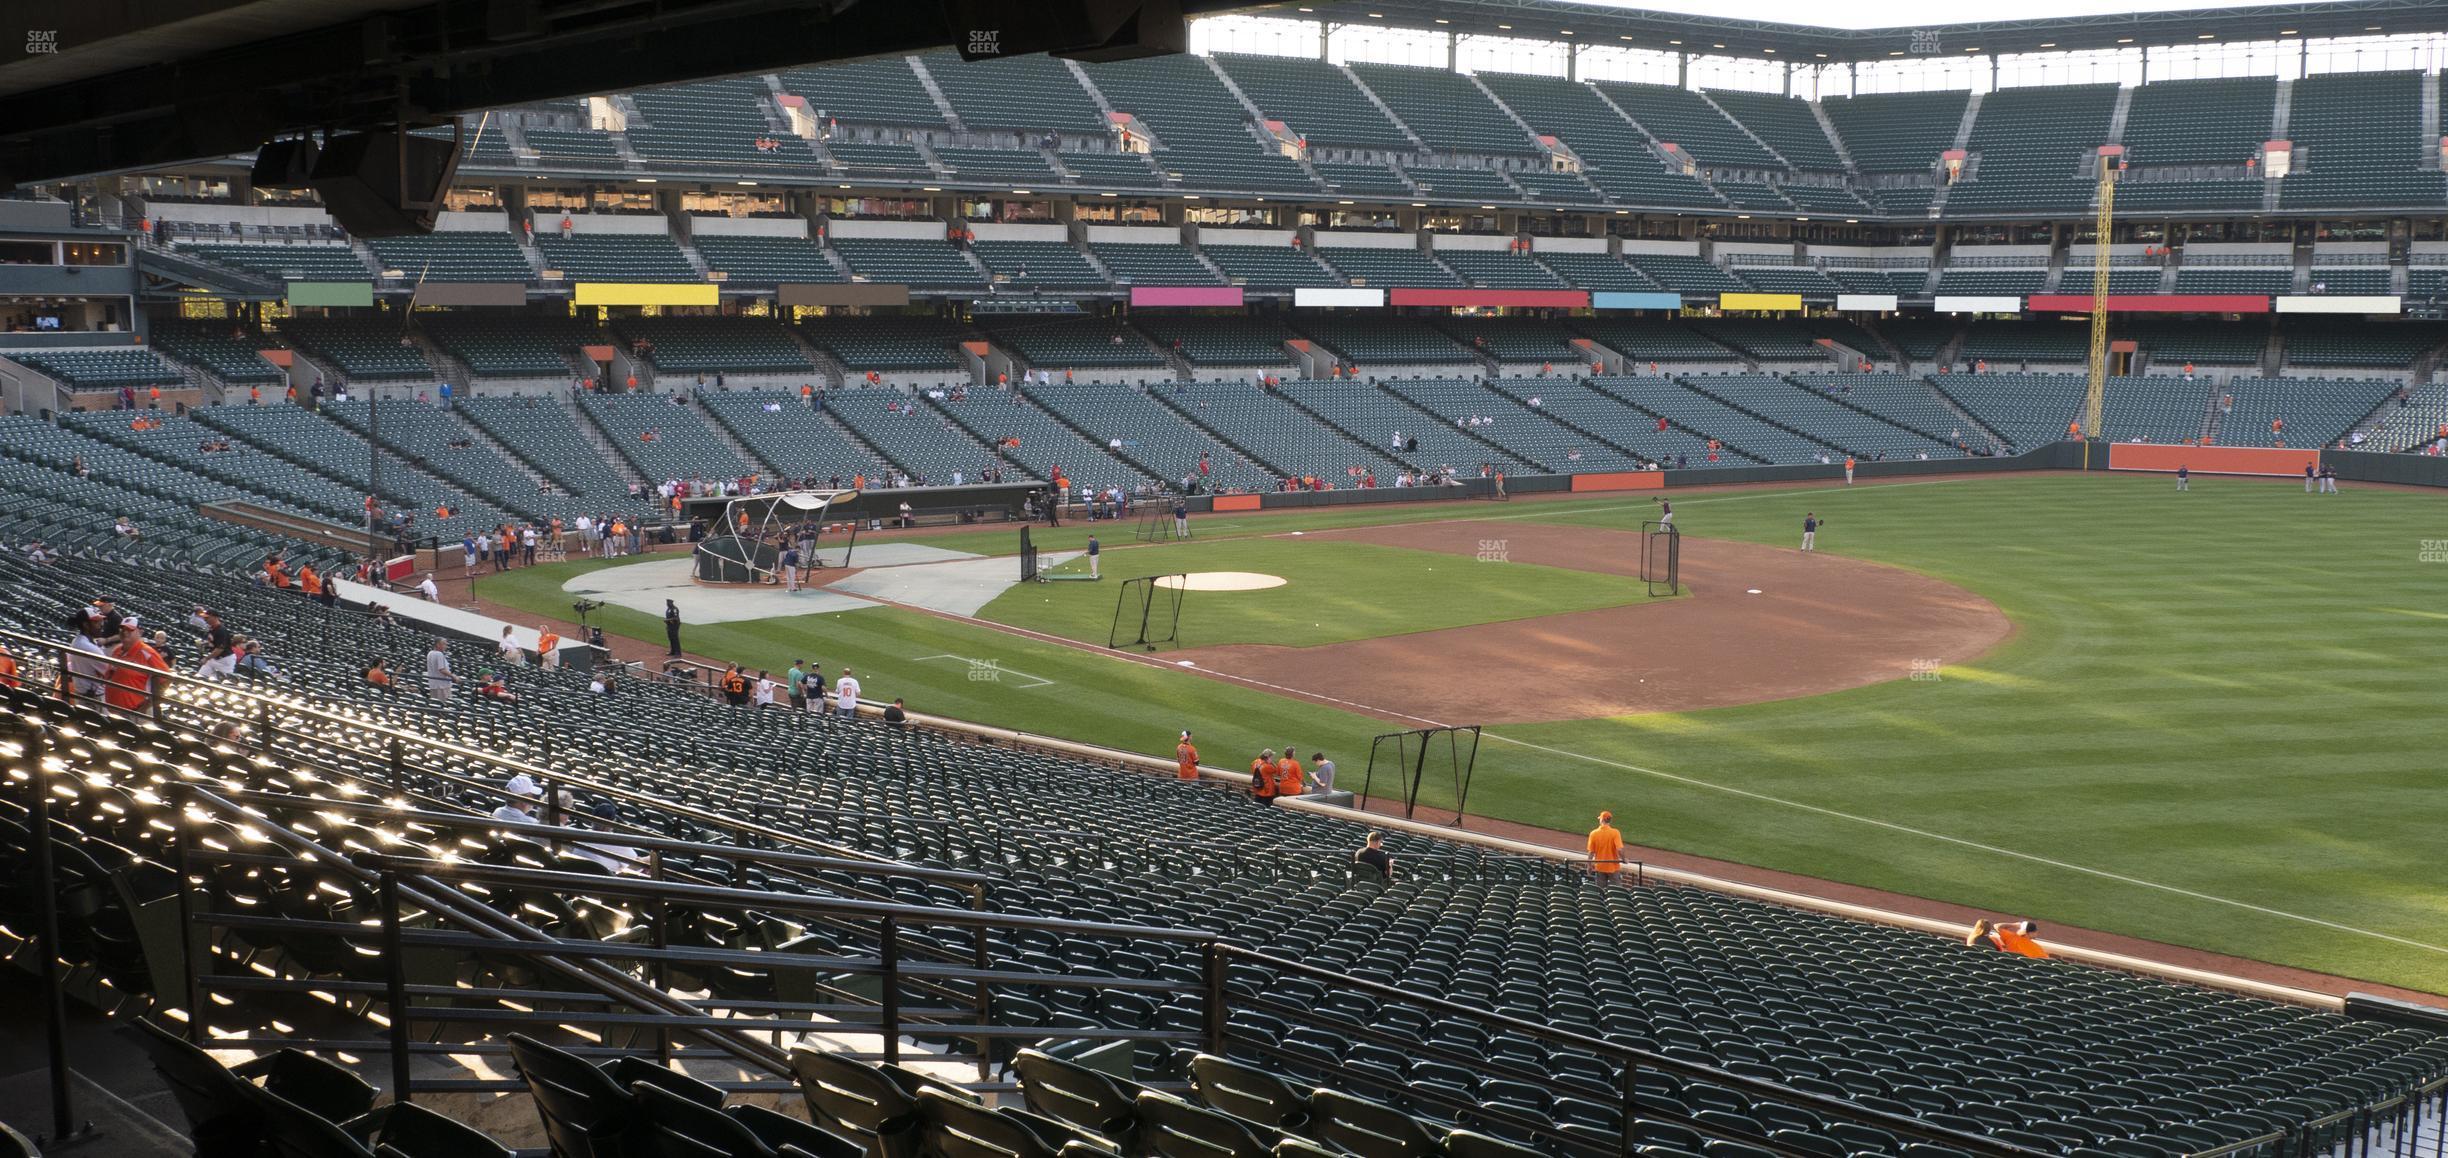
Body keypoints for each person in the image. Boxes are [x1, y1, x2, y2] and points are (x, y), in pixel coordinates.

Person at [107, 618, 167, 717]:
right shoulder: (117, 650)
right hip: (112, 709)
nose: (125, 632)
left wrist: (148, 704)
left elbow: (166, 678)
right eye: (122, 629)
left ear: (140, 632)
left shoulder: (147, 652)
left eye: (130, 629)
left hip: (134, 712)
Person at [1967, 918, 2050, 959]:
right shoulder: (2037, 948)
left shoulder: (2010, 937)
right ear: (2030, 933)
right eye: (2035, 931)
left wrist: (2014, 925)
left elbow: (1997, 926)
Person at [1587, 810, 1625, 881]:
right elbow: (1619, 849)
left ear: (1602, 820)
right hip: (1613, 867)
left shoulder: (1593, 833)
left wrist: (1589, 866)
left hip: (1600, 867)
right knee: (1615, 890)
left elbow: (1591, 852)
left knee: (1601, 891)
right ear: (1609, 820)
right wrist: (1624, 859)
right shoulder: (1615, 833)